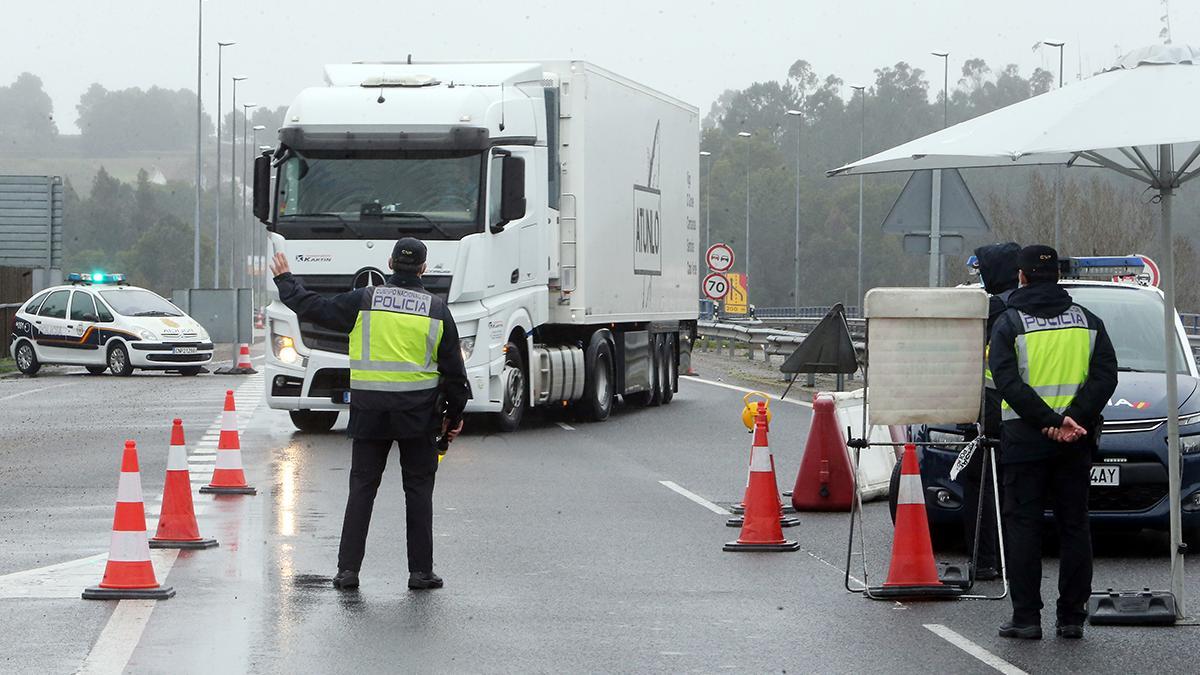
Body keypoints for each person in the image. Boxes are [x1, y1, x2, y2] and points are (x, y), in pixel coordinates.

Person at [269, 237, 470, 591]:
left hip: (370, 414)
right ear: (424, 268)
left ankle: (348, 572)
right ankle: (420, 573)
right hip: (417, 417)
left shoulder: (366, 300)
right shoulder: (437, 310)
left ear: (390, 262)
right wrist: (452, 420)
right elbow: (456, 376)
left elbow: (314, 308)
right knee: (418, 492)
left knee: (362, 490)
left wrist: (286, 280)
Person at [988, 245, 1118, 640]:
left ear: (1021, 277)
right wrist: (1073, 420)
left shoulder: (1009, 323)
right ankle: (1072, 618)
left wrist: (1049, 421)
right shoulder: (1089, 321)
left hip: (1027, 440)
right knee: (1075, 526)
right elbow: (1105, 375)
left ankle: (1026, 618)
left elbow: (1006, 383)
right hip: (1075, 442)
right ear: (1057, 277)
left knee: (1024, 528)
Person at [959, 242, 1021, 581]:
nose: (980, 278)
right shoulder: (1033, 307)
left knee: (982, 485)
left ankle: (985, 561)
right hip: (1036, 415)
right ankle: (1016, 559)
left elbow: (964, 356)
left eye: (982, 271)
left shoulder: (991, 311)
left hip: (992, 411)